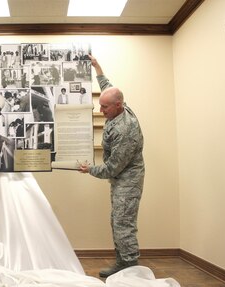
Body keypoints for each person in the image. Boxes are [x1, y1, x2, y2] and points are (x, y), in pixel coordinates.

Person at [79, 55, 145, 278]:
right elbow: (107, 87)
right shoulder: (118, 105)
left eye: (104, 107)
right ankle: (123, 263)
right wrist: (97, 67)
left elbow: (112, 168)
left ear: (118, 106)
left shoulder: (126, 130)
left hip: (127, 180)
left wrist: (89, 170)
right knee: (117, 220)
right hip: (120, 180)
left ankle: (130, 268)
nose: (101, 111)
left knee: (123, 223)